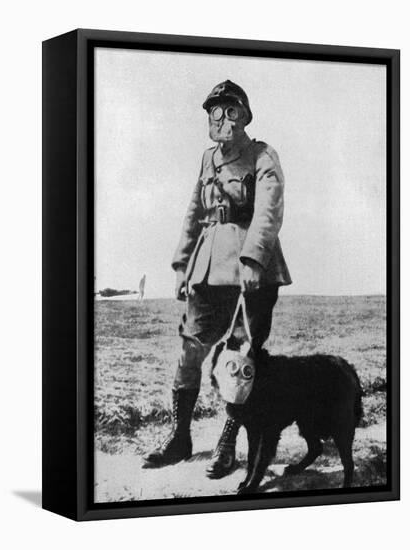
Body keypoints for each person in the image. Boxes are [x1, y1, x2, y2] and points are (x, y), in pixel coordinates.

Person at [143, 80, 292, 478]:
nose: (222, 118)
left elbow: (268, 211)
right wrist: (180, 266)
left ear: (245, 115)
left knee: (239, 358)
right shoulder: (207, 159)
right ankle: (180, 437)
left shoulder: (263, 155)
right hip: (207, 267)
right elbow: (194, 213)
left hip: (251, 272)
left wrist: (254, 260)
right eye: (215, 111)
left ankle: (227, 442)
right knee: (191, 349)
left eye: (231, 110)